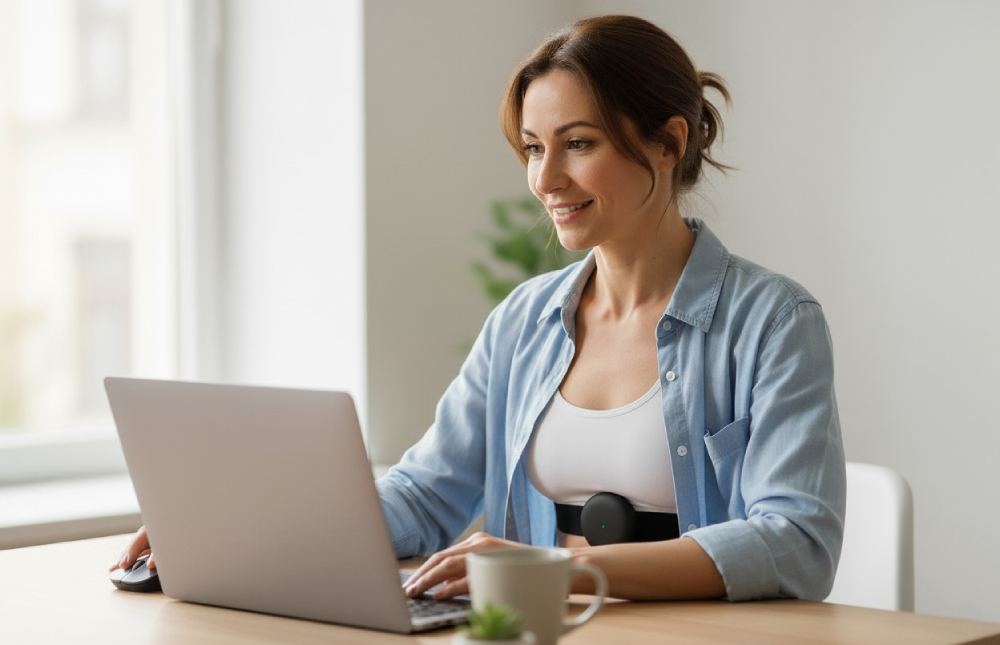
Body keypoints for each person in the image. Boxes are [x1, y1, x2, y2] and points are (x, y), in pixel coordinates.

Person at [112, 14, 845, 603]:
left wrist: (566, 573)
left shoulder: (773, 321)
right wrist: (237, 531)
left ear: (667, 143)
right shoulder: (524, 320)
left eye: (577, 144)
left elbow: (796, 541)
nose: (545, 179)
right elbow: (425, 493)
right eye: (532, 148)